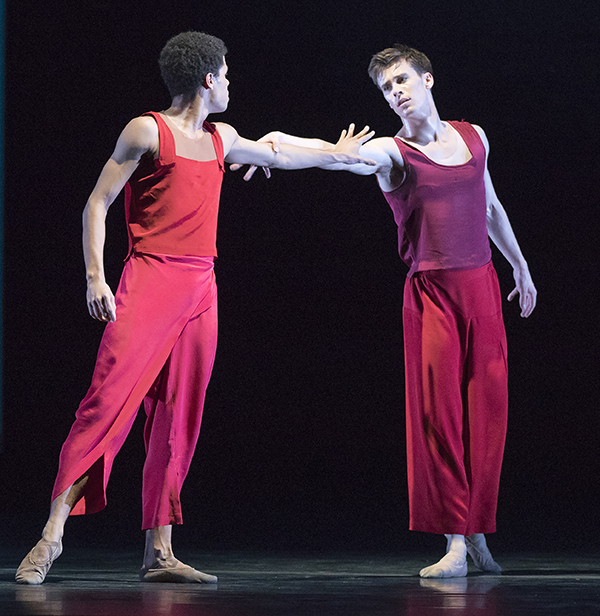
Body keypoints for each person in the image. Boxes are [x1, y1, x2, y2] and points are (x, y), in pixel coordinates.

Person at [15, 31, 376, 586]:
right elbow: (97, 202)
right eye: (227, 74)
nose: (231, 83)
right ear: (208, 80)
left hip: (200, 289)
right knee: (107, 403)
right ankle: (51, 536)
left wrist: (336, 152)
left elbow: (278, 151)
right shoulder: (146, 130)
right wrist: (95, 276)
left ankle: (159, 552)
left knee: (179, 415)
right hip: (149, 279)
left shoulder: (221, 138)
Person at [235, 44, 537, 578]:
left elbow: (489, 204)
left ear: (427, 80)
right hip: (433, 295)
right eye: (385, 88)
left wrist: (520, 266)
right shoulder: (392, 155)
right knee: (440, 416)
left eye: (401, 80)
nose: (395, 93)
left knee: (488, 415)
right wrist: (266, 147)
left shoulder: (474, 137)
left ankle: (479, 534)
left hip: (483, 287)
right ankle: (454, 543)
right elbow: (330, 155)